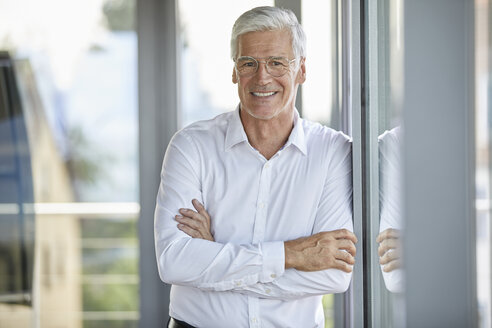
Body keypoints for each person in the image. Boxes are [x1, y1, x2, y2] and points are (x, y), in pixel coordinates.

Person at [154, 6, 357, 328]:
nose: (262, 77)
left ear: (301, 70)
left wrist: (215, 256)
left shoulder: (333, 151)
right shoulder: (191, 146)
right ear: (234, 71)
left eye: (277, 63)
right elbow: (175, 262)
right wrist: (290, 256)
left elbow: (333, 276)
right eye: (249, 63)